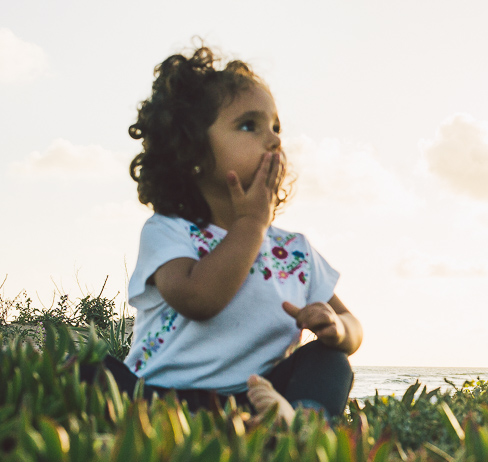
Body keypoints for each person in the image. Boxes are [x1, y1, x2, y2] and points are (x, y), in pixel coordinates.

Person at [83, 45, 361, 424]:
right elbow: (200, 300)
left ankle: (300, 423)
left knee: (330, 360)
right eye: (250, 126)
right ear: (191, 151)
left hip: (254, 398)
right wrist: (251, 225)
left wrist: (336, 326)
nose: (274, 140)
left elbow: (354, 327)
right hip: (159, 399)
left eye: (276, 127)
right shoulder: (169, 230)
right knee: (84, 369)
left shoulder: (292, 251)